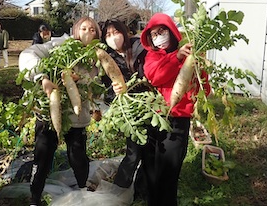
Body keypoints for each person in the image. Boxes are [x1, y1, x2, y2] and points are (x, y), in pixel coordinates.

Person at [18, 17, 101, 206]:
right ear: (76, 31)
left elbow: (96, 84)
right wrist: (43, 78)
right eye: (84, 28)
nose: (88, 32)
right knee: (42, 156)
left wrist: (80, 78)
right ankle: (35, 198)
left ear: (98, 34)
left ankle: (83, 192)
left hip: (76, 116)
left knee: (78, 156)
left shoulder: (96, 56)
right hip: (49, 113)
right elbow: (28, 54)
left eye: (93, 30)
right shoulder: (60, 44)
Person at [139, 13, 211, 206]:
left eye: (162, 31)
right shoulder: (152, 56)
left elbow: (205, 90)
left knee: (168, 173)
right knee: (151, 170)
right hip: (153, 118)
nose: (158, 37)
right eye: (153, 34)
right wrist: (176, 58)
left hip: (177, 121)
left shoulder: (189, 56)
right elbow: (155, 76)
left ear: (172, 31)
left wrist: (199, 67)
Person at [99, 19, 148, 198]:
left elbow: (149, 74)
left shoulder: (139, 47)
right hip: (129, 111)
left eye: (116, 32)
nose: (113, 38)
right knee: (133, 154)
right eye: (108, 35)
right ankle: (117, 192)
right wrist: (116, 91)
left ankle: (142, 191)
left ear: (124, 32)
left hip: (150, 105)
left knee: (149, 154)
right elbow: (107, 91)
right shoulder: (106, 57)